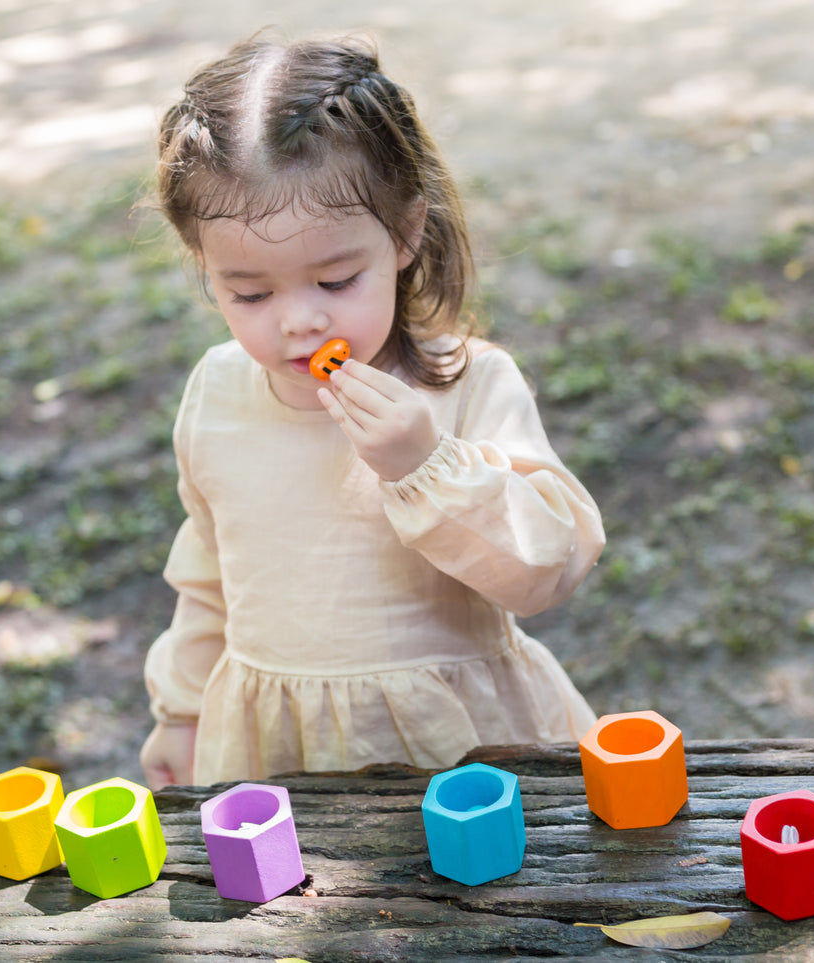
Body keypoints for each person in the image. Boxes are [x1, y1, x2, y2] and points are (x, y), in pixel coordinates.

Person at [139, 33, 605, 789]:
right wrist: (181, 714)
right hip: (280, 754)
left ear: (404, 234)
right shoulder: (219, 392)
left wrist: (430, 469)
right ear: (205, 265)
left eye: (334, 280)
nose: (297, 322)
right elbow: (207, 573)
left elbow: (546, 569)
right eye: (249, 292)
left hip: (465, 750)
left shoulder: (469, 384)